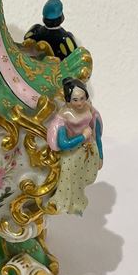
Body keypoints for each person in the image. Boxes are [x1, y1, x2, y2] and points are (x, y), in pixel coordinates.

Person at [46, 77, 103, 215]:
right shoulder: (63, 116)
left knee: (82, 180)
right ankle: (70, 205)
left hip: (89, 150)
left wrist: (101, 155)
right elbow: (63, 143)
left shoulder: (89, 108)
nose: (80, 103)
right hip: (72, 154)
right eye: (75, 100)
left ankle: (79, 202)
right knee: (70, 182)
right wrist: (82, 136)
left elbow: (96, 132)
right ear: (68, 100)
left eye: (82, 98)